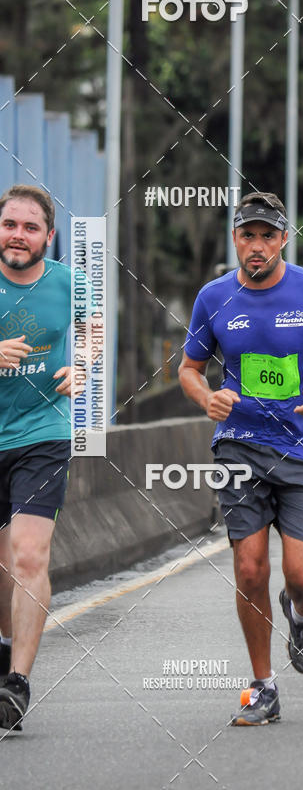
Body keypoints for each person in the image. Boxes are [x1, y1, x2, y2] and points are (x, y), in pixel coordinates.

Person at [178, 192, 303, 726]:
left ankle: (301, 612)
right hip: (238, 445)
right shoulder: (213, 297)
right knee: (249, 567)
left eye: (267, 235)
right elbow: (189, 368)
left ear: (284, 239)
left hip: (302, 448)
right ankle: (263, 685)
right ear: (235, 239)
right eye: (247, 235)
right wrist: (205, 397)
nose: (257, 245)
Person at [0, 185, 80, 732]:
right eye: (10, 224)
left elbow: (94, 329)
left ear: (48, 236)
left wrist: (85, 365)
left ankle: (18, 682)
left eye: (30, 227)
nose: (18, 235)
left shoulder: (67, 282)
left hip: (43, 434)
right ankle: (5, 645)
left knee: (29, 555)